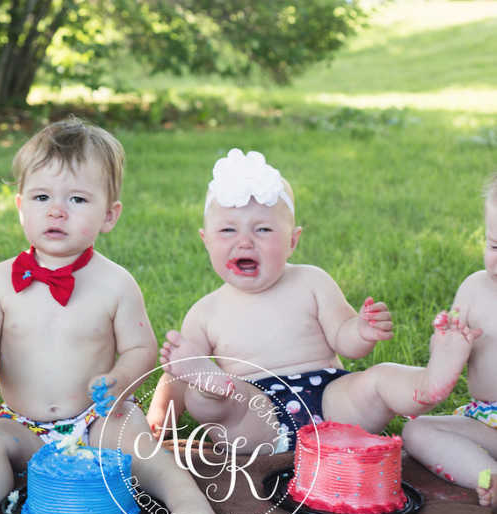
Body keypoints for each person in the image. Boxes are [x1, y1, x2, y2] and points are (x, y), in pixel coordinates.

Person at [0, 118, 217, 514]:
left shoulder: (115, 283)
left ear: (109, 215)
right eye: (42, 196)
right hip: (23, 424)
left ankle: (187, 501)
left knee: (140, 445)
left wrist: (119, 381)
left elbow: (141, 347)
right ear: (20, 205)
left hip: (97, 417)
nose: (57, 210)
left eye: (78, 199)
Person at [145, 148, 481, 456]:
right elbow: (177, 374)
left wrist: (361, 331)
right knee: (205, 398)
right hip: (256, 415)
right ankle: (214, 386)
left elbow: (344, 339)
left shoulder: (311, 281)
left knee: (378, 377)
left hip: (333, 399)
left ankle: (429, 383)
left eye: (263, 230)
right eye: (227, 231)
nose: (245, 242)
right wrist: (160, 415)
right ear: (206, 241)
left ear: (292, 240)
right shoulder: (206, 312)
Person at [403, 174, 497, 508]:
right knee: (416, 432)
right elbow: (442, 365)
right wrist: (446, 344)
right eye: (494, 245)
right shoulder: (474, 289)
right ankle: (488, 477)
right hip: (487, 422)